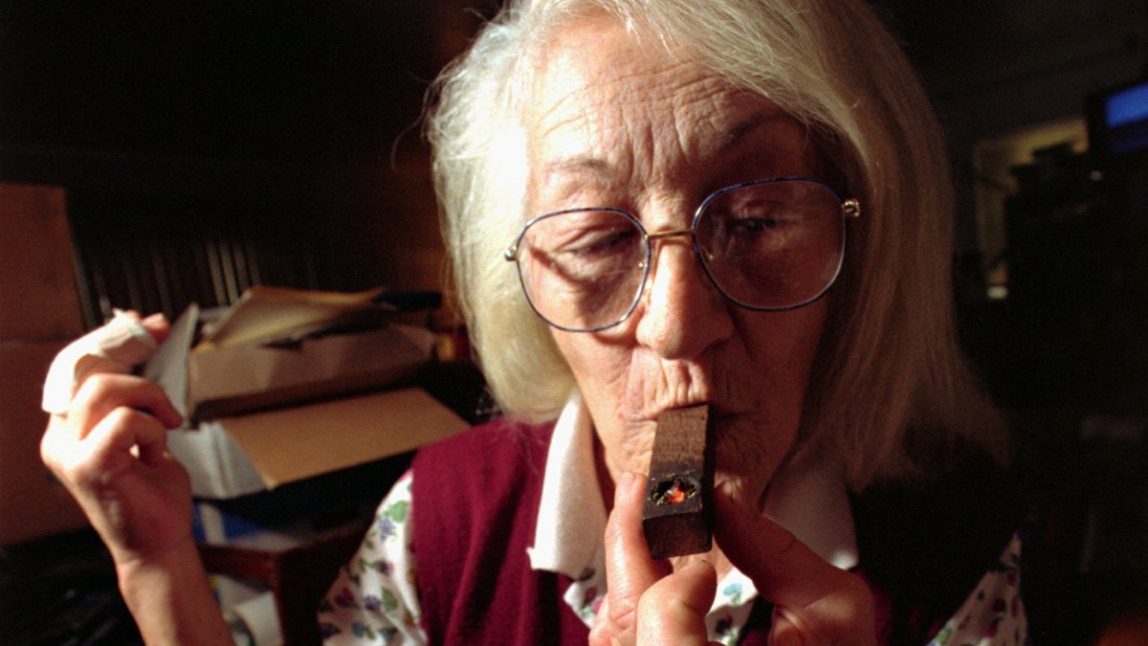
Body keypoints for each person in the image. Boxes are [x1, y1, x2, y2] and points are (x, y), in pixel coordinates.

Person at [40, 0, 1029, 643]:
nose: (676, 328)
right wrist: (156, 564)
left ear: (858, 232)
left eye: (759, 218)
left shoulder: (952, 542)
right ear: (517, 278)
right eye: (598, 239)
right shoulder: (432, 521)